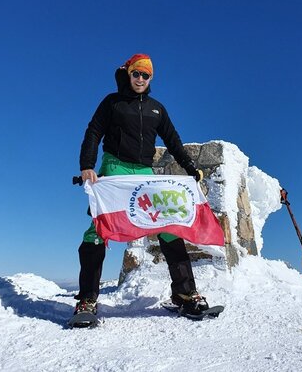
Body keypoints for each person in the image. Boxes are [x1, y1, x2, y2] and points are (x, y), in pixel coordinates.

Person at [75, 53, 208, 317]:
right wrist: (87, 165)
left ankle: (185, 294)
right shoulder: (112, 102)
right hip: (115, 169)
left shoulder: (156, 108)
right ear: (128, 74)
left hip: (144, 174)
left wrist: (192, 168)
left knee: (169, 227)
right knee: (98, 230)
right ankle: (87, 300)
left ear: (150, 79)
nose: (140, 79)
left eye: (145, 75)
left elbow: (172, 139)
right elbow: (93, 131)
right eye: (136, 73)